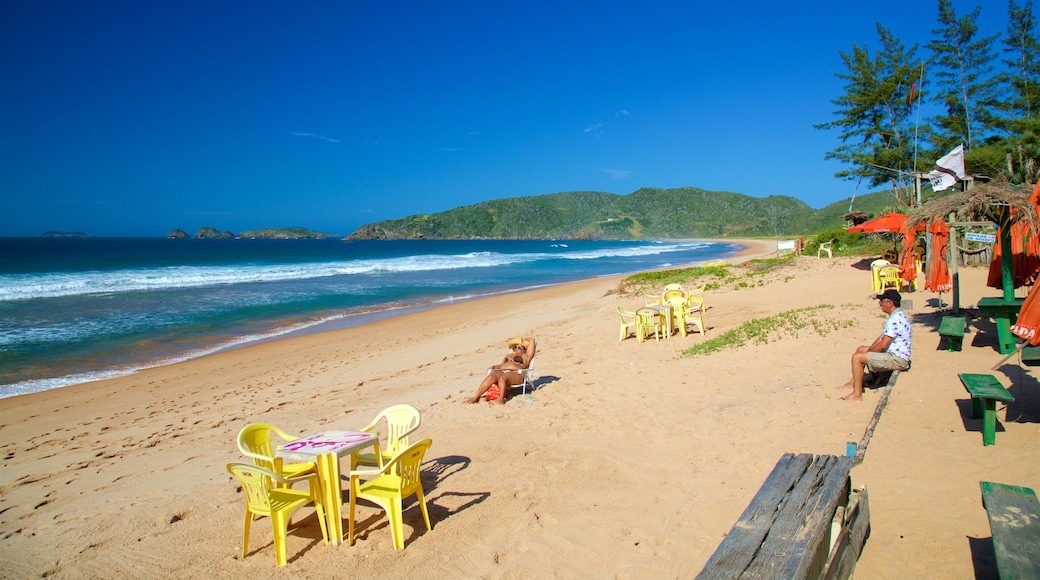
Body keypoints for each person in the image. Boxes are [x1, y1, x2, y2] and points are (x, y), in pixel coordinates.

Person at [839, 289, 912, 401]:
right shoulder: (897, 315)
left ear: (890, 303)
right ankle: (854, 382)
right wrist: (870, 350)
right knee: (860, 349)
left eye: (882, 301)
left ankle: (857, 394)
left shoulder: (895, 320)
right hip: (894, 353)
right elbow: (882, 337)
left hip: (897, 359)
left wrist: (870, 353)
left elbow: (883, 345)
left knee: (857, 358)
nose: (880, 304)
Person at [467, 337, 537, 405]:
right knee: (492, 376)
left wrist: (524, 339)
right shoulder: (508, 355)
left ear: (524, 350)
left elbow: (532, 340)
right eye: (515, 347)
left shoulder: (525, 356)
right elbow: (501, 365)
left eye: (519, 347)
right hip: (503, 371)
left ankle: (501, 398)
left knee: (502, 378)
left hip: (517, 374)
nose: (516, 349)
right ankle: (476, 397)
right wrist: (494, 366)